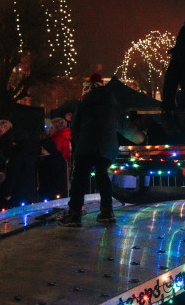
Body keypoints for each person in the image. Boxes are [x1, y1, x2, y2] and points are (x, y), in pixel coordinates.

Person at [58, 73, 143, 227]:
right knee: (103, 177)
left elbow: (75, 129)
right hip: (107, 148)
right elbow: (125, 127)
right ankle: (107, 212)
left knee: (80, 180)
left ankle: (75, 214)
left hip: (86, 146)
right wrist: (141, 138)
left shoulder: (84, 104)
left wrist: (79, 143)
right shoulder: (113, 106)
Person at [0, 119, 38, 208]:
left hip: (17, 189)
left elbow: (13, 172)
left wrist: (8, 191)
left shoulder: (16, 152)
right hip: (28, 188)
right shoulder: (30, 151)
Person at [37, 120, 69, 201]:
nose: (49, 130)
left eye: (51, 127)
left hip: (55, 172)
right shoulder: (66, 136)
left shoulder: (56, 139)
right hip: (64, 166)